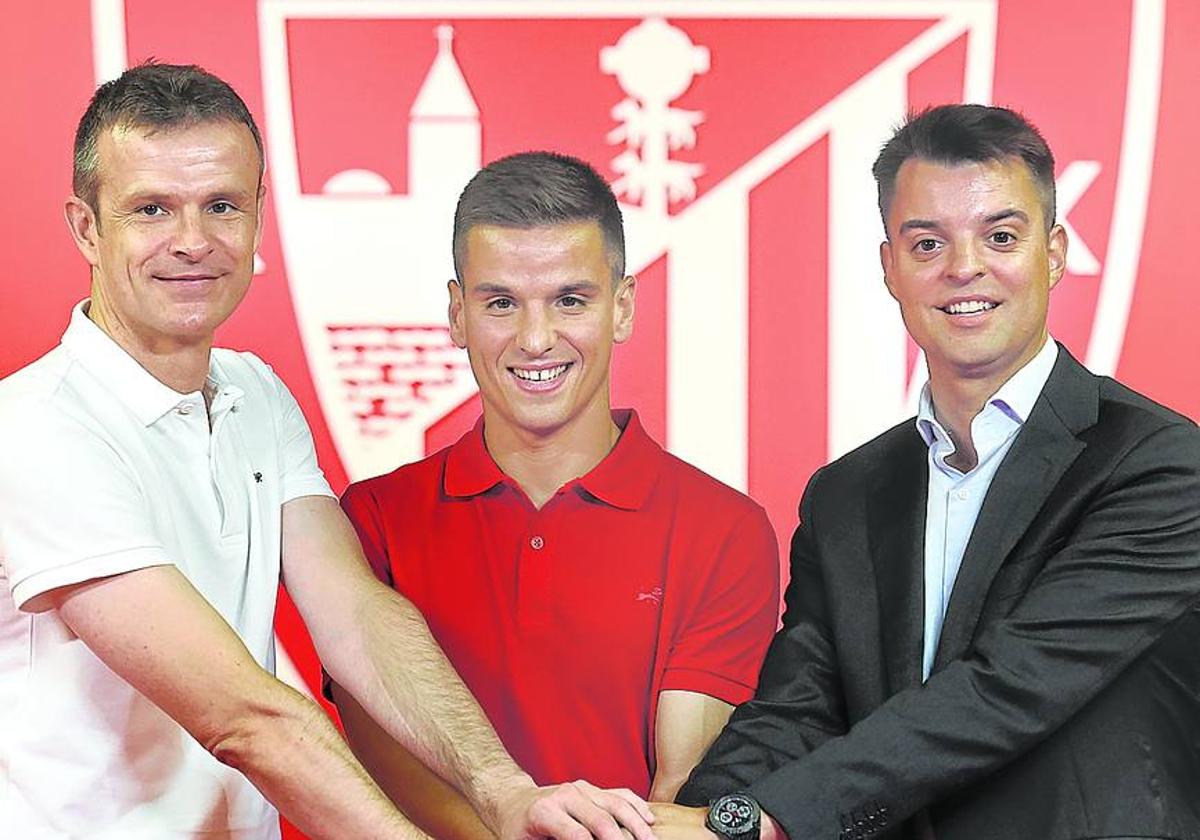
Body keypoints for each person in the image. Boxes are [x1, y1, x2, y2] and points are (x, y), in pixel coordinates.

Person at [0, 63, 659, 840]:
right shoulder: (34, 428)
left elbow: (354, 612)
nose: (193, 242)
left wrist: (503, 790)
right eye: (151, 209)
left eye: (221, 206)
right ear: (86, 227)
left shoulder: (254, 393)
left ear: (257, 216)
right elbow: (243, 717)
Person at [652, 104, 1200, 840]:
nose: (964, 267)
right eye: (927, 243)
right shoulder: (847, 494)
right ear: (889, 268)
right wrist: (689, 821)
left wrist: (759, 825)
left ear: (1057, 252)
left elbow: (1008, 687)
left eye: (1000, 236)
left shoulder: (1158, 463)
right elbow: (799, 705)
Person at [328, 151, 780, 839]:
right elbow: (388, 761)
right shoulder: (374, 520)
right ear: (457, 314)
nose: (536, 340)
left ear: (621, 307)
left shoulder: (726, 528)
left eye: (570, 300)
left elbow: (683, 788)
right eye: (501, 303)